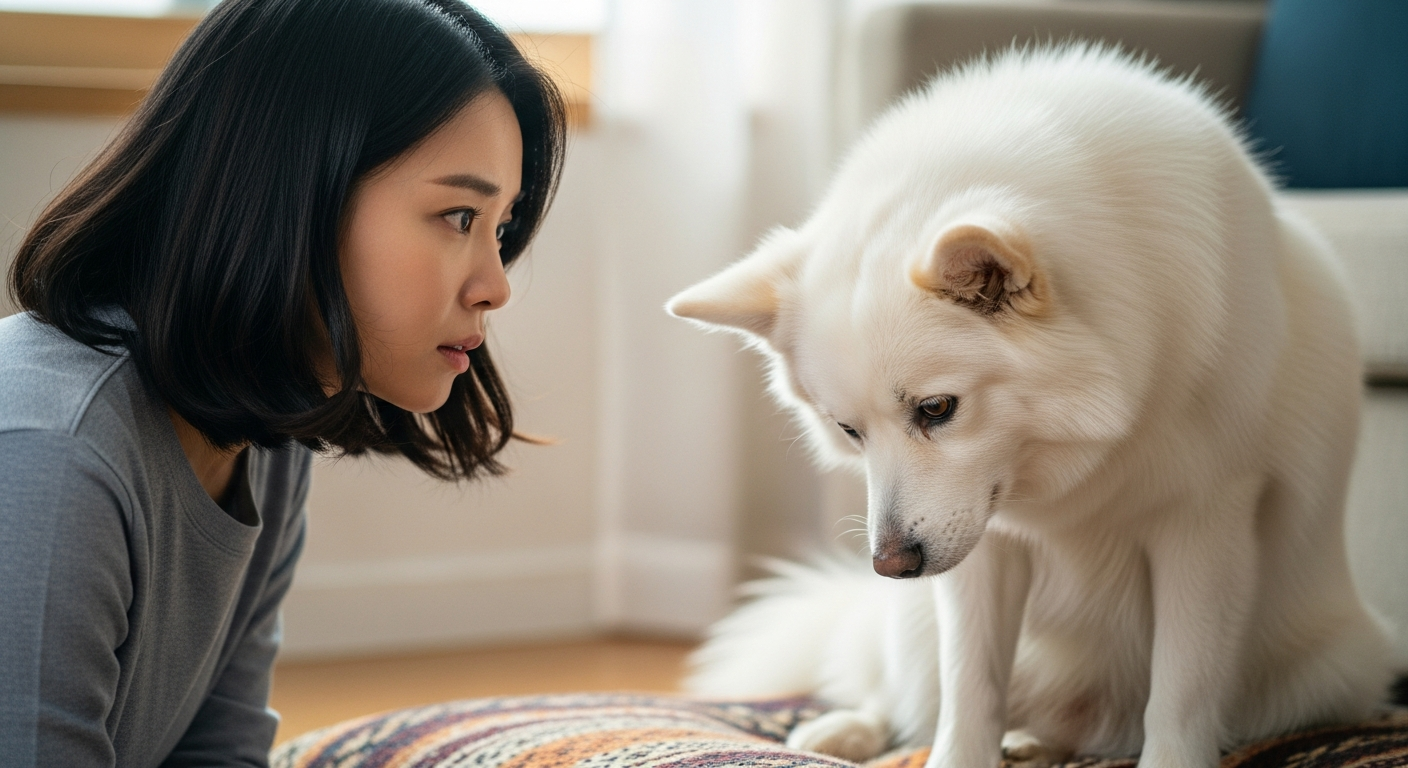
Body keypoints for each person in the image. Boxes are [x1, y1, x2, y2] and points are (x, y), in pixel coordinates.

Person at [0, 0, 566, 763]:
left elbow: (220, 745)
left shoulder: (269, 424)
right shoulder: (53, 457)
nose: (496, 285)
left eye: (500, 230)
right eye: (459, 216)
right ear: (292, 190)